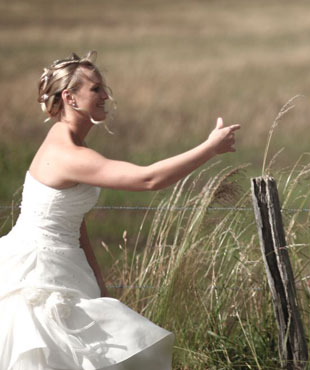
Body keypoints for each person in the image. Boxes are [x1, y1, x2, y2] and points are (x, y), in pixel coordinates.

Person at [0, 51, 240, 369]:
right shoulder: (67, 155)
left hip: (66, 264)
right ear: (70, 97)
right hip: (41, 273)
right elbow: (148, 178)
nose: (105, 95)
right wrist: (209, 148)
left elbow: (75, 222)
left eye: (103, 88)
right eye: (96, 89)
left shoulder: (68, 143)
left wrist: (99, 284)